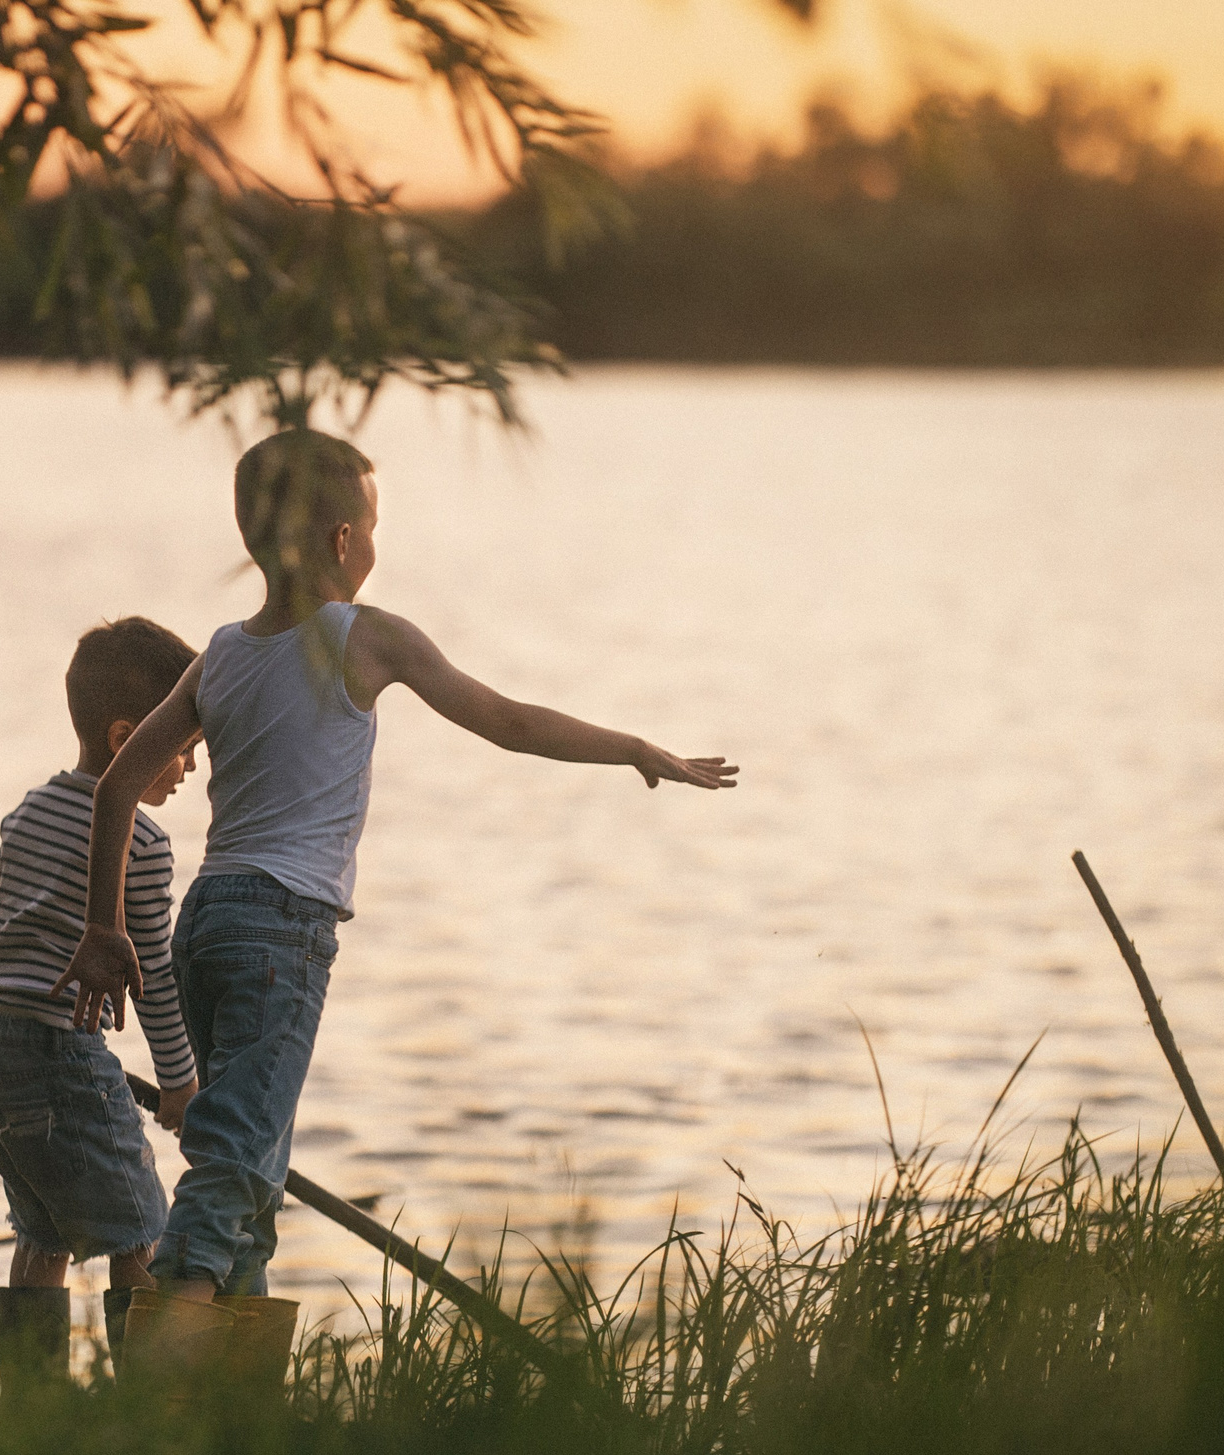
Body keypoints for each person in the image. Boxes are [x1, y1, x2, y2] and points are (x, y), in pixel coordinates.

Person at [50, 428, 739, 1372]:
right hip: (282, 931)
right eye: (372, 527)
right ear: (341, 540)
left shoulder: (217, 655)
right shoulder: (361, 636)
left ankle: (229, 1418)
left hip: (205, 921)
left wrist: (102, 925)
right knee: (236, 1161)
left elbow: (120, 781)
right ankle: (161, 1368)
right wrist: (633, 747)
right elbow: (505, 720)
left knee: (251, 1168)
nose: (376, 548)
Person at [0, 616, 206, 1384]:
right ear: (129, 736)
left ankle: (33, 1417)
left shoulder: (28, 810)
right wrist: (180, 1082)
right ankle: (152, 1413)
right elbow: (153, 971)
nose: (191, 763)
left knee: (44, 1231)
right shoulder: (146, 844)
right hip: (54, 1053)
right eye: (182, 740)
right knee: (143, 1228)